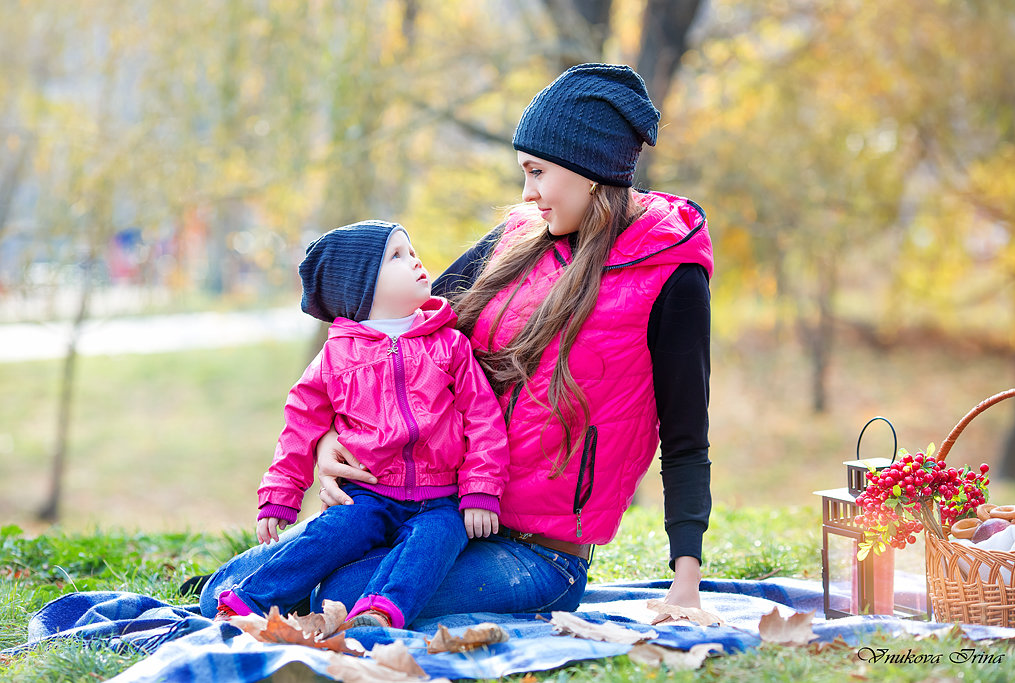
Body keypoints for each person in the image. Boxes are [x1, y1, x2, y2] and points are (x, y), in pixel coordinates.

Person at [197, 63, 712, 622]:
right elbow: (395, 337)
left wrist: (684, 585)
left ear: (587, 169)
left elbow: (686, 440)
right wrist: (327, 445)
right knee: (228, 587)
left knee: (334, 597)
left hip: (538, 555)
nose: (527, 192)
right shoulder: (518, 238)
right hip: (428, 511)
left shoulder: (671, 273)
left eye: (537, 172)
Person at [213, 221, 509, 630]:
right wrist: (281, 492)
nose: (415, 260)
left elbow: (483, 418)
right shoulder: (336, 355)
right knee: (329, 534)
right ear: (361, 286)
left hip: (441, 495)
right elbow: (301, 424)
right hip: (367, 493)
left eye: (411, 250)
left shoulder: (448, 344)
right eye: (397, 256)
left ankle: (381, 611)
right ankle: (249, 600)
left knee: (437, 540)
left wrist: (480, 489)